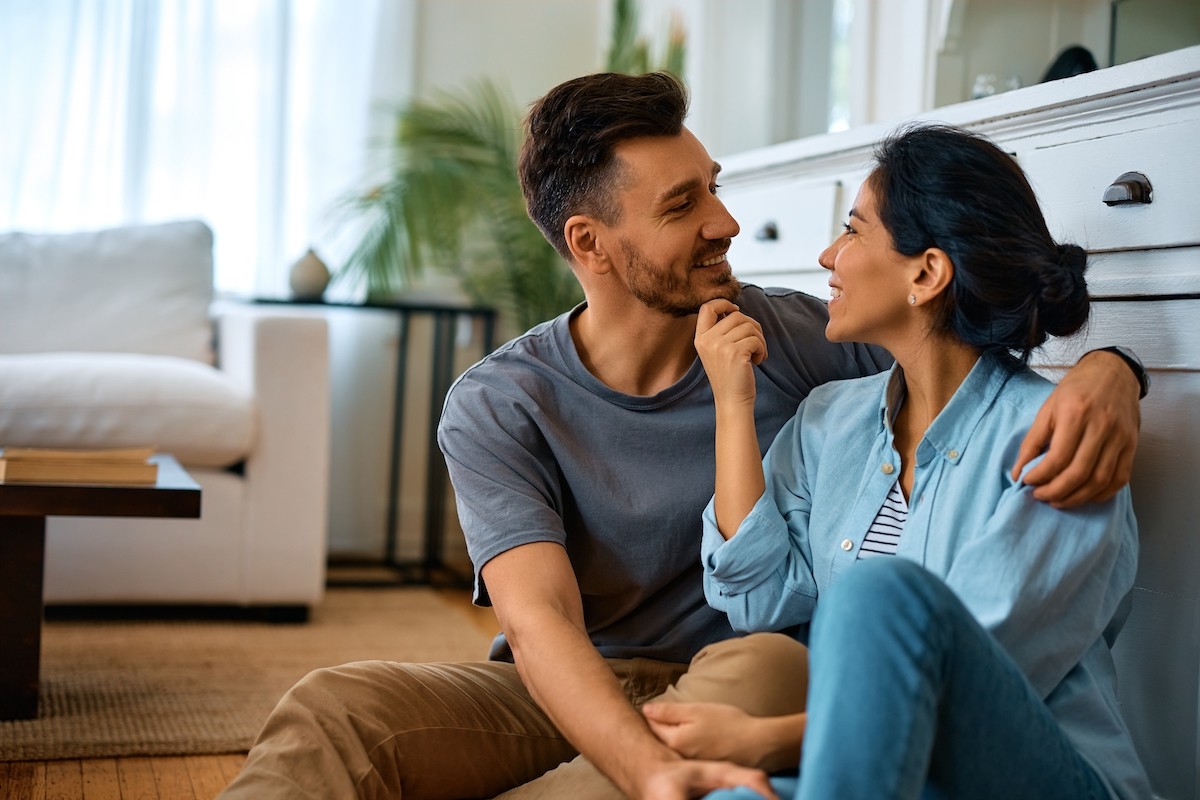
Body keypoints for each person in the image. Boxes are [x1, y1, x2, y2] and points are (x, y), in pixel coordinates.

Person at [219, 73, 1146, 800]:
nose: (725, 223)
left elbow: (973, 364)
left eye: (714, 187)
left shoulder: (799, 339)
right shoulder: (501, 401)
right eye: (680, 206)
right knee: (337, 710)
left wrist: (1116, 373)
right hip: (575, 685)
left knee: (774, 662)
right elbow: (540, 628)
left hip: (745, 678)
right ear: (589, 243)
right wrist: (642, 763)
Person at [660, 123, 1150, 799]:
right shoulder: (831, 421)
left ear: (926, 273)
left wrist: (764, 739)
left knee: (874, 592)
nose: (830, 254)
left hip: (1033, 775)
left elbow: (950, 686)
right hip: (898, 777)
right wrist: (732, 403)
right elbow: (757, 595)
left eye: (854, 231)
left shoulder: (1058, 434)